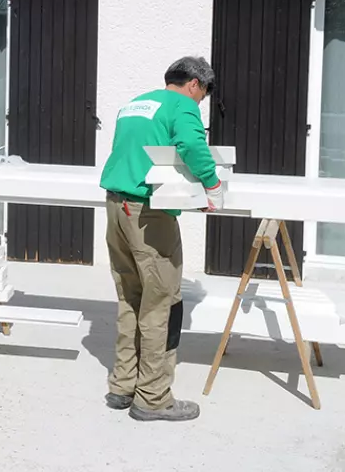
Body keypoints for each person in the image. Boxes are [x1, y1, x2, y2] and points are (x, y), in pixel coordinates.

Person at [98, 56, 224, 422]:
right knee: (161, 303)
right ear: (195, 85)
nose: (199, 103)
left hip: (116, 207)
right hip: (148, 214)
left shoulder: (134, 104)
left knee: (130, 299)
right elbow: (191, 146)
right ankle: (153, 398)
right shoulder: (183, 105)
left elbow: (141, 155)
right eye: (203, 95)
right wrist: (211, 185)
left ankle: (123, 385)